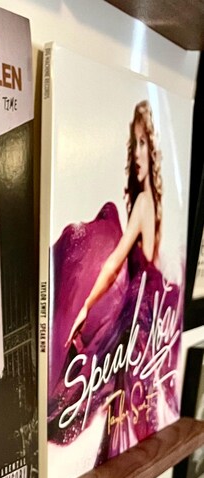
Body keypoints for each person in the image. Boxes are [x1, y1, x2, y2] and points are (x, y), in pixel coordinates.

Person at [49, 99, 179, 458]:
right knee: (130, 407)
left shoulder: (141, 206)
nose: (137, 153)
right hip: (145, 321)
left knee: (120, 405)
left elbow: (112, 266)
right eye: (133, 144)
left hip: (134, 321)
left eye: (143, 143)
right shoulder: (155, 203)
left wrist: (86, 307)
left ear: (152, 150)